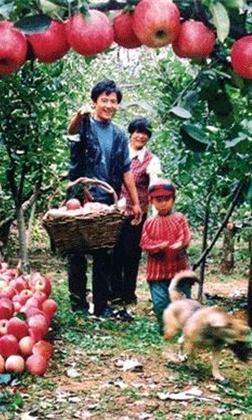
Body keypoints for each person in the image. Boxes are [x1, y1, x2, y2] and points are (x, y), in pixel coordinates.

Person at [66, 80, 142, 318]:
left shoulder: (119, 135)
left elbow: (126, 170)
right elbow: (71, 131)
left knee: (104, 253)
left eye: (113, 101)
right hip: (80, 196)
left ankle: (102, 305)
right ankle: (78, 303)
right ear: (95, 102)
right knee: (76, 250)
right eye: (104, 100)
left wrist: (135, 201)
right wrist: (79, 115)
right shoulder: (85, 124)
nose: (109, 105)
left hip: (107, 197)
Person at [110, 117, 161, 312]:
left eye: (145, 133)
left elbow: (154, 187)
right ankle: (113, 293)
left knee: (131, 254)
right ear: (130, 133)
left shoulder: (151, 160)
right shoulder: (120, 154)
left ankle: (128, 294)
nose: (141, 136)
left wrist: (156, 217)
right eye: (137, 132)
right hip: (115, 213)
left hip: (136, 214)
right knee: (114, 252)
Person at [139, 179, 192, 334]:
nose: (163, 203)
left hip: (179, 270)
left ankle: (185, 330)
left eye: (166, 199)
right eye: (158, 200)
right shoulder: (149, 222)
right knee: (161, 303)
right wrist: (157, 247)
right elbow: (144, 242)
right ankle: (166, 330)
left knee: (183, 302)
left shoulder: (179, 218)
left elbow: (185, 236)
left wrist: (180, 244)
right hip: (157, 273)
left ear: (173, 200)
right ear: (151, 202)